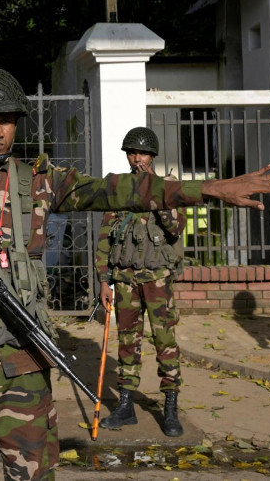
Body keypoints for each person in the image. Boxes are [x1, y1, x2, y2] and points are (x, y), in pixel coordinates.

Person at [0, 67, 270, 481]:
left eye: (5, 120)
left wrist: (209, 189)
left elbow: (121, 190)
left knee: (34, 476)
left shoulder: (40, 183)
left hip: (24, 362)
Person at [96, 127, 187, 437]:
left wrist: (155, 191)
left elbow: (175, 227)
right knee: (126, 343)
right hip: (124, 280)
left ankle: (170, 408)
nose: (138, 158)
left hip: (157, 279)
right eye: (133, 153)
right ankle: (125, 407)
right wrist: (102, 280)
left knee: (165, 342)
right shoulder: (120, 188)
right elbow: (105, 237)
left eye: (143, 153)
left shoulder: (168, 186)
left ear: (153, 156)